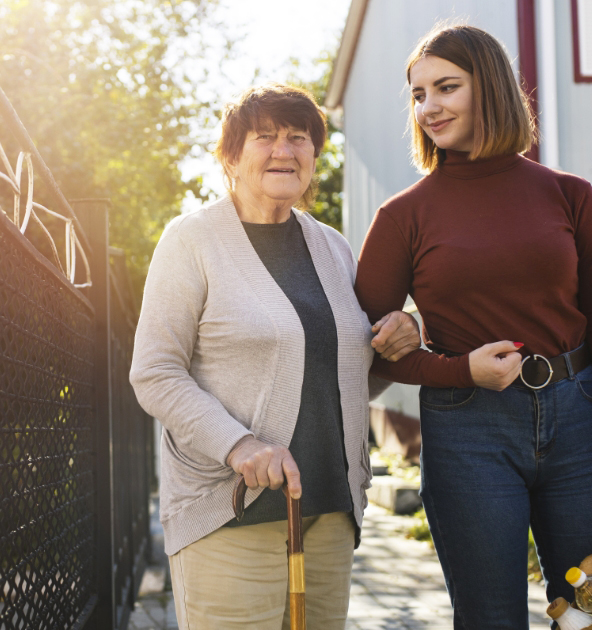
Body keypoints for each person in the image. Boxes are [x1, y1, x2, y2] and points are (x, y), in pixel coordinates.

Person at [353, 24, 592, 629]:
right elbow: (366, 350)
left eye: (446, 87)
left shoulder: (570, 196)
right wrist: (453, 368)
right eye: (418, 95)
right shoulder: (403, 216)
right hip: (468, 429)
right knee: (490, 618)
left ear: (491, 87)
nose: (429, 107)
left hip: (582, 422)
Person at [130, 83, 420, 630]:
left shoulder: (332, 246)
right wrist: (239, 445)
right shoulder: (190, 240)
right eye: (265, 137)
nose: (284, 150)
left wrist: (404, 333)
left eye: (299, 138)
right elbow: (155, 371)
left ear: (314, 155)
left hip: (330, 511)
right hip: (230, 512)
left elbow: (343, 372)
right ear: (231, 156)